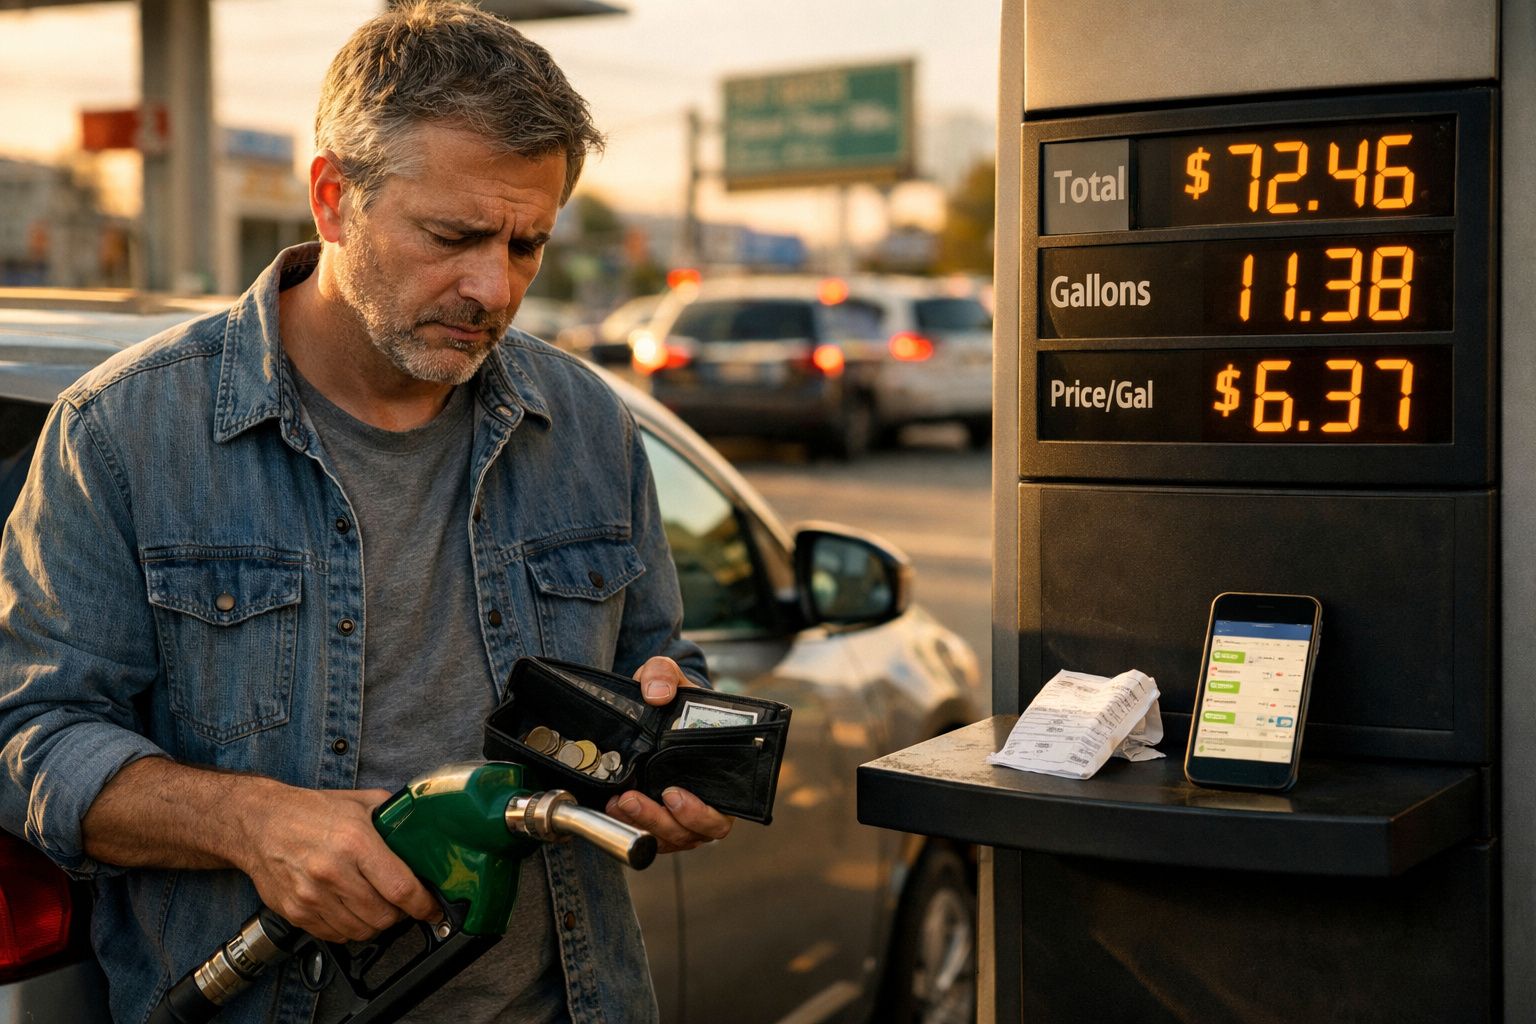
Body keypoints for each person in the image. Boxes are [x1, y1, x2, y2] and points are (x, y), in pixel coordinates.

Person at [0, 3, 732, 1022]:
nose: (494, 286)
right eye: (454, 235)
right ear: (334, 196)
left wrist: (668, 735)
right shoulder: (124, 434)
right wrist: (250, 822)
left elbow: (663, 659)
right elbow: (29, 734)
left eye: (529, 244)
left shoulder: (590, 428)